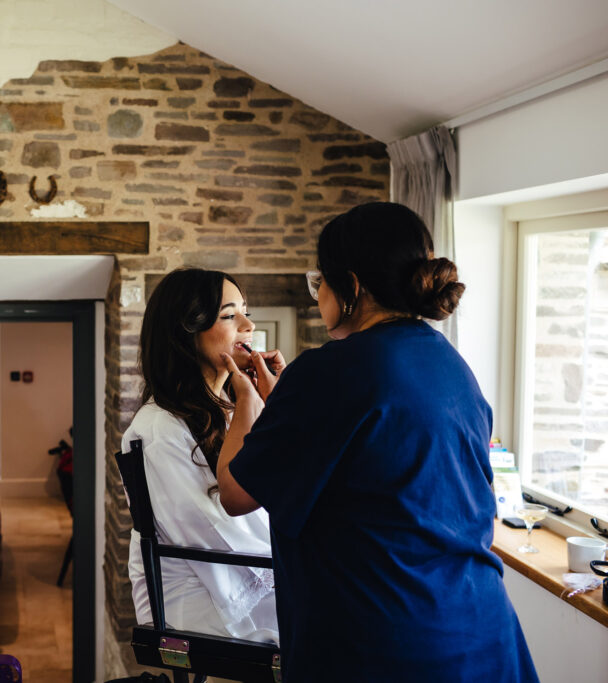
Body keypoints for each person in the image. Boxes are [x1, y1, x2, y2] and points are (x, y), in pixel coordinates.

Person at [215, 202, 538, 681]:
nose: (317, 293)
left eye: (320, 280)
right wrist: (286, 407)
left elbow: (236, 493)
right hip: (482, 633)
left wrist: (246, 398)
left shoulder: (331, 371)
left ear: (353, 286)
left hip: (386, 644)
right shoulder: (451, 365)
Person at [123, 267, 279, 643]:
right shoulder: (159, 429)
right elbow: (214, 533)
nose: (247, 325)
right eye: (229, 315)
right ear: (186, 334)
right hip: (204, 599)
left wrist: (274, 409)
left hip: (241, 571)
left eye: (246, 312)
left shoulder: (228, 410)